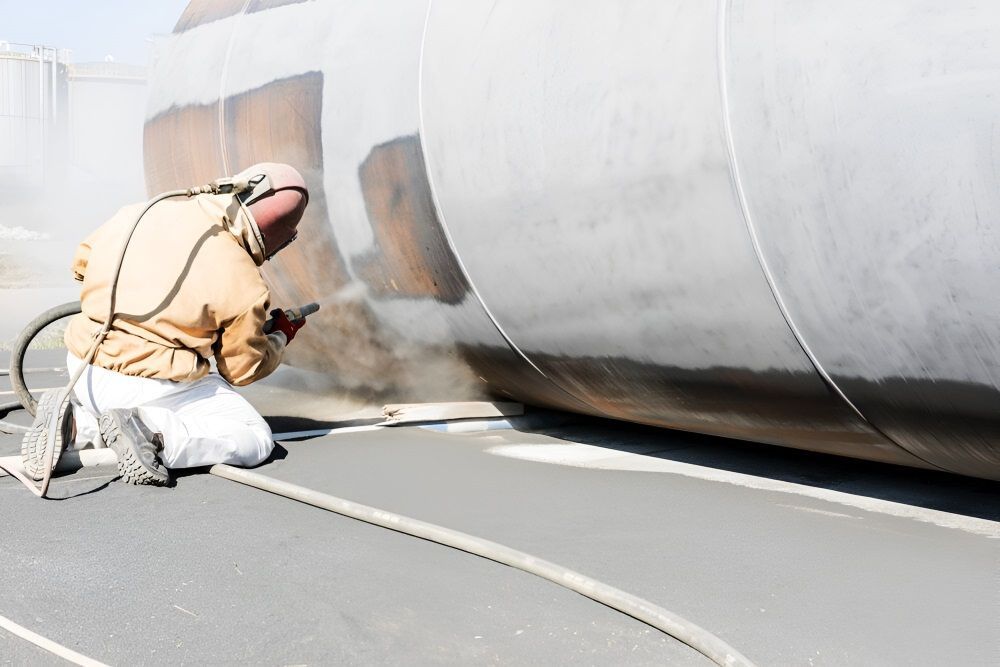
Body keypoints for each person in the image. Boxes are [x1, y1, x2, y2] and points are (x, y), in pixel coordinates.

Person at [21, 163, 310, 486]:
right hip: (146, 388)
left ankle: (78, 425)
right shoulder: (244, 280)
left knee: (114, 406)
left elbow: (82, 264)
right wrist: (279, 339)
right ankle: (151, 430)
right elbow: (241, 370)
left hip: (83, 372)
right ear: (278, 236)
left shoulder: (140, 212)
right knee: (253, 436)